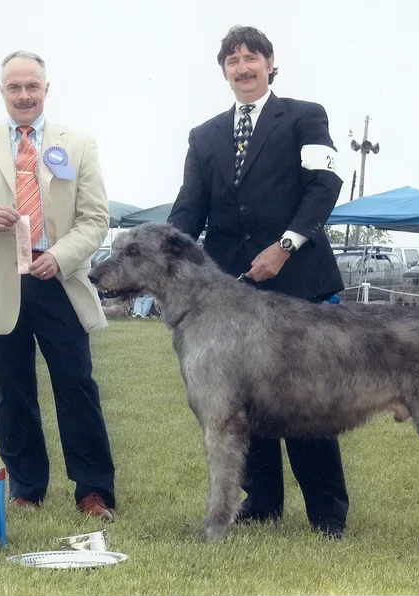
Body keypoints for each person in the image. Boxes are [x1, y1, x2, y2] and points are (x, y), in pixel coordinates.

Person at [167, 25, 348, 538]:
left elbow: (324, 185)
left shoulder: (305, 116)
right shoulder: (204, 136)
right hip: (231, 290)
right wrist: (163, 251)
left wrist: (286, 245)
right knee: (243, 399)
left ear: (270, 64)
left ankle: (327, 514)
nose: (243, 68)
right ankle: (263, 501)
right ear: (223, 70)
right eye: (233, 61)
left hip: (296, 280)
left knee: (307, 397)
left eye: (252, 58)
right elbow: (189, 208)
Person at [0, 50, 116, 521]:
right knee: (11, 390)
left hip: (58, 280)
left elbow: (95, 219)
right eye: (14, 87)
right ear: (2, 92)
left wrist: (58, 258)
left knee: (76, 386)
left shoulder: (77, 145)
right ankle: (26, 487)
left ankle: (94, 491)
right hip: (2, 282)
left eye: (32, 86)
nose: (24, 95)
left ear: (46, 89)